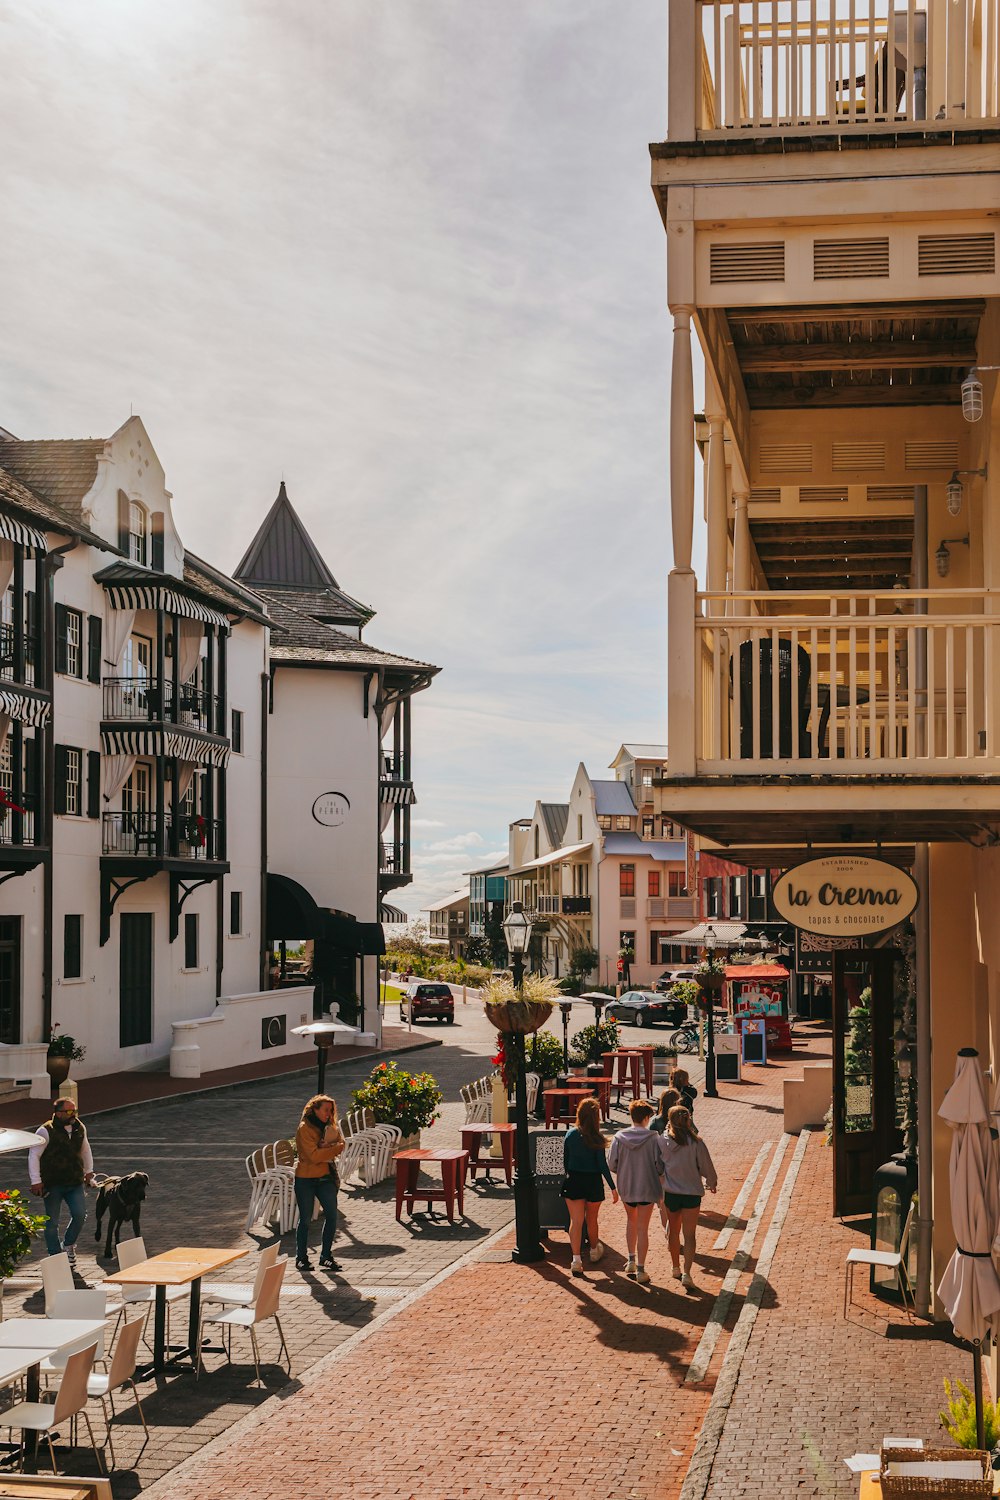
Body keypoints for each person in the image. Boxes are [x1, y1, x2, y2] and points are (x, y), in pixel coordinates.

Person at [28, 1098, 97, 1265]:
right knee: (51, 1222)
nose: (73, 1114)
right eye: (69, 1111)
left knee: (80, 1215)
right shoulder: (45, 1131)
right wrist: (36, 1181)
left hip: (74, 1181)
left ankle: (68, 1245)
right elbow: (34, 1156)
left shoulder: (79, 1127)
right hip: (52, 1183)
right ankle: (55, 1256)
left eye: (74, 1110)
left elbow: (85, 1149)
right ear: (58, 1113)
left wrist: (89, 1172)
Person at [659, 1105, 717, 1289]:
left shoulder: (663, 1141)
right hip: (691, 1193)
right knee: (689, 1235)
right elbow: (705, 1166)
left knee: (673, 1232)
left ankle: (675, 1266)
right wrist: (711, 1181)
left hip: (671, 1193)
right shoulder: (696, 1142)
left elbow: (658, 1167)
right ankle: (687, 1272)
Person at [608, 1100, 663, 1285]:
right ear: (647, 1117)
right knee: (643, 1227)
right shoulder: (654, 1138)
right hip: (647, 1186)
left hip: (627, 1187)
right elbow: (659, 1165)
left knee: (631, 1221)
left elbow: (612, 1164)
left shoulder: (618, 1137)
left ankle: (630, 1260)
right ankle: (641, 1268)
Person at [561, 1096, 618, 1277]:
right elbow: (602, 1165)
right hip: (593, 1181)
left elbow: (565, 1161)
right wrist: (612, 1187)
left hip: (574, 1180)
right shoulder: (597, 1138)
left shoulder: (570, 1135)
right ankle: (594, 1250)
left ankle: (576, 1259)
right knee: (592, 1219)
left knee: (575, 1221)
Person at [294, 1094, 345, 1272]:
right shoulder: (304, 1128)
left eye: (331, 1111)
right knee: (306, 1220)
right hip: (305, 1180)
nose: (329, 1114)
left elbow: (341, 1144)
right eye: (325, 1110)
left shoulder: (329, 1126)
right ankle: (301, 1258)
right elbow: (313, 1156)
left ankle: (326, 1257)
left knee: (332, 1216)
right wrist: (329, 1149)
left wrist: (327, 1148)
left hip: (325, 1179)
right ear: (314, 1110)